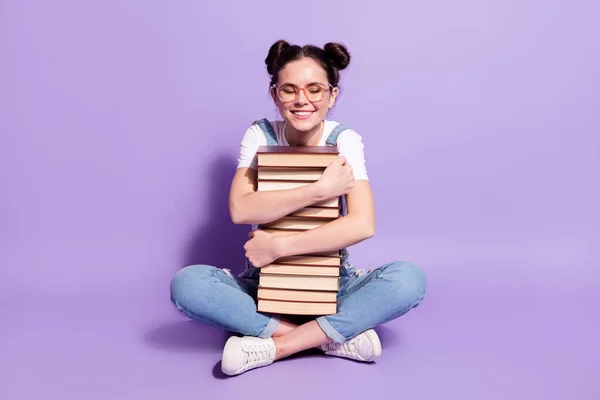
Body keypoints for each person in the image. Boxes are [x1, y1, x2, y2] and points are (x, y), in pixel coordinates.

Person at [169, 39, 427, 376]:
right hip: (265, 283)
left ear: (332, 95)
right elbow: (241, 209)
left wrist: (278, 246)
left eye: (315, 89)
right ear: (275, 94)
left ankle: (276, 345)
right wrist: (319, 189)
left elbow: (362, 224)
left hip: (333, 282)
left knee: (409, 279)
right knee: (187, 284)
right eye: (289, 90)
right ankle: (330, 338)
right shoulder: (260, 134)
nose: (301, 100)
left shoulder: (343, 140)